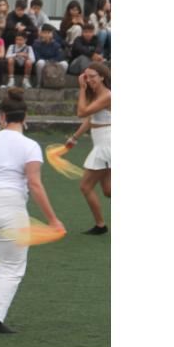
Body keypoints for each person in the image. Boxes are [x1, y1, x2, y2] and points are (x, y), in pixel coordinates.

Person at [0, 88, 64, 334]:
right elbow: (35, 184)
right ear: (25, 118)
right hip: (8, 207)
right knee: (15, 266)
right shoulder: (30, 146)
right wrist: (53, 220)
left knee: (7, 260)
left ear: (1, 117)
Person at [66, 62, 111, 235]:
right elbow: (91, 119)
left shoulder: (107, 95)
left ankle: (100, 225)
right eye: (87, 76)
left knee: (86, 186)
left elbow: (82, 113)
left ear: (102, 77)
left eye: (93, 76)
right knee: (108, 191)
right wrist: (75, 138)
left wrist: (82, 89)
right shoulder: (99, 95)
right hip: (103, 142)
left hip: (107, 143)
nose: (89, 79)